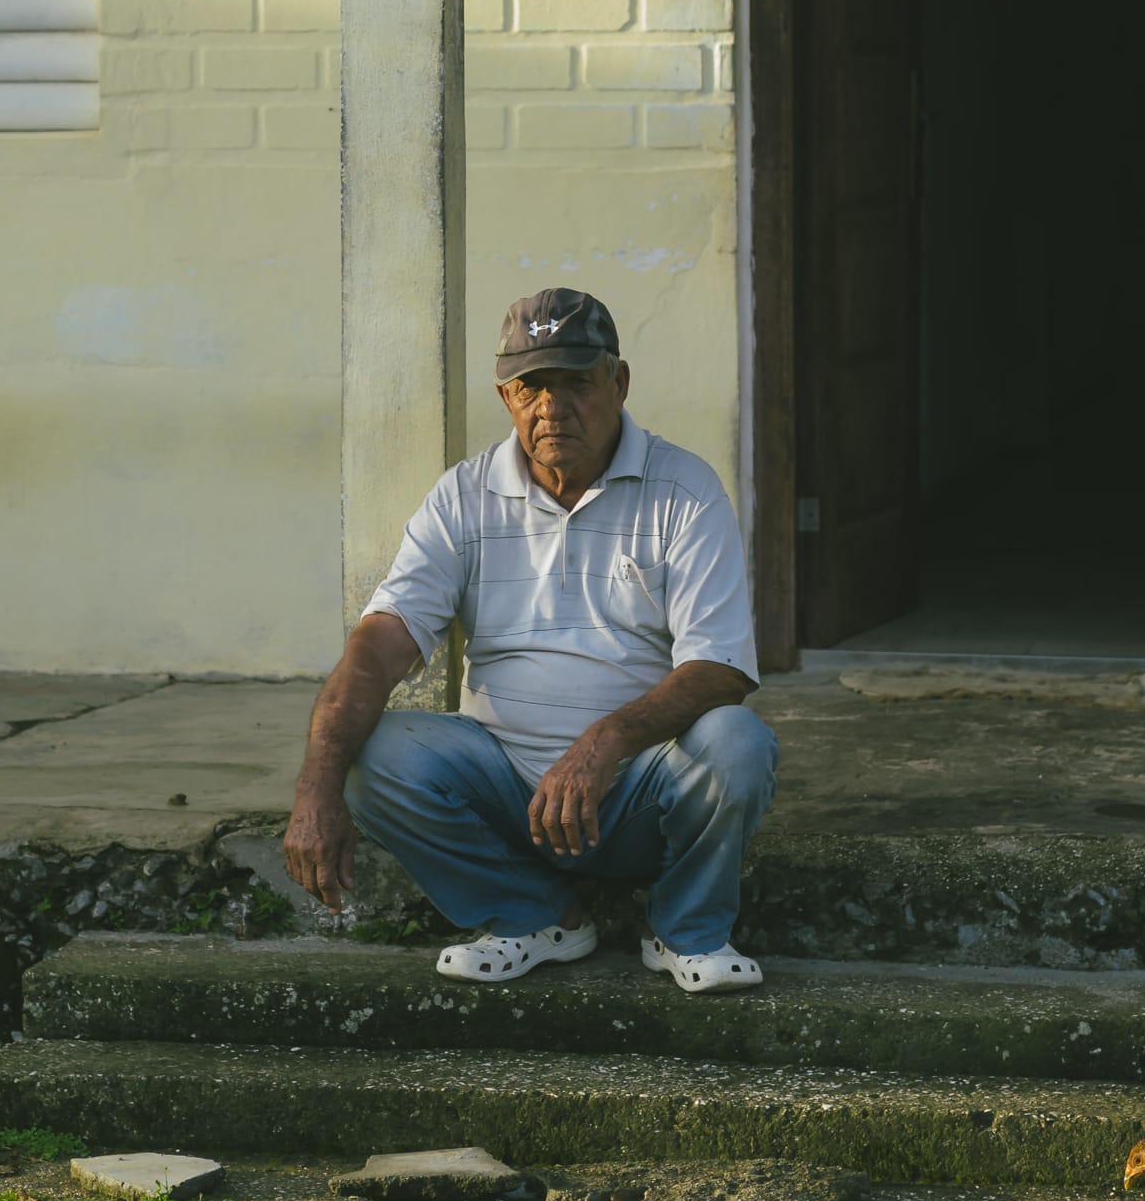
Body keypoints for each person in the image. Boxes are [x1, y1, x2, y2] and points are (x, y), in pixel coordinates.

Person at [282, 288, 776, 993]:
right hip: (505, 791)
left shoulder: (684, 491)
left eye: (577, 382)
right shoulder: (463, 496)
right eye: (531, 387)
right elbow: (378, 646)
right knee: (371, 757)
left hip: (637, 788)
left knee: (738, 741)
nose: (553, 407)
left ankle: (686, 931)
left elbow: (719, 667)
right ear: (506, 397)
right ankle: (536, 916)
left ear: (619, 382)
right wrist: (315, 786)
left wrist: (603, 744)